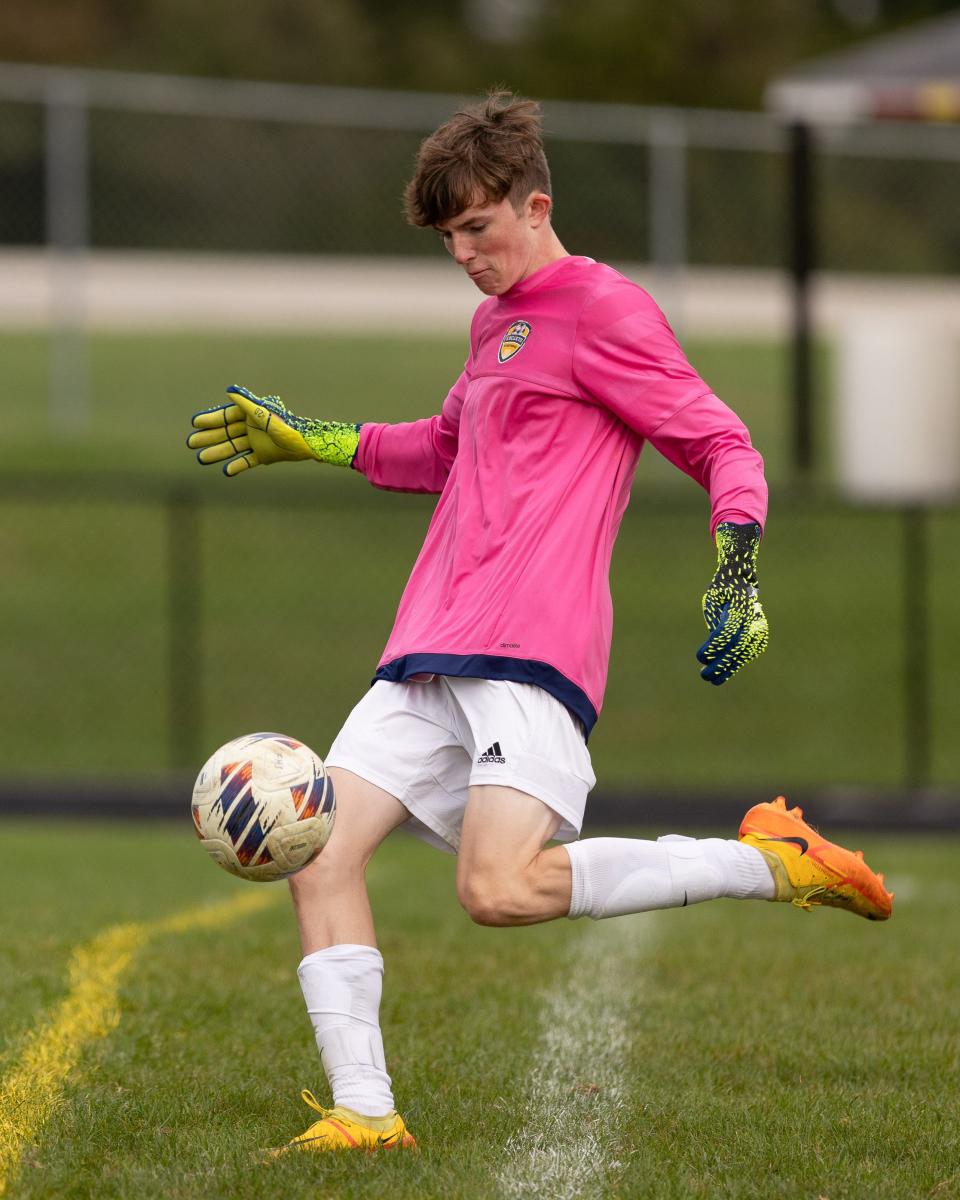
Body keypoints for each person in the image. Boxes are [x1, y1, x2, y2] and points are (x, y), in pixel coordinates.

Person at [187, 91, 893, 1153]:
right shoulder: (493, 323)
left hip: (529, 648)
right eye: (449, 239)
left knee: (498, 889)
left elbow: (722, 443)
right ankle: (365, 1117)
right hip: (427, 644)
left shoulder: (605, 308)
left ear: (536, 203)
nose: (466, 254)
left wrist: (736, 567)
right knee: (320, 855)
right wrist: (318, 439)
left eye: (479, 228)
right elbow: (443, 448)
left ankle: (771, 860)